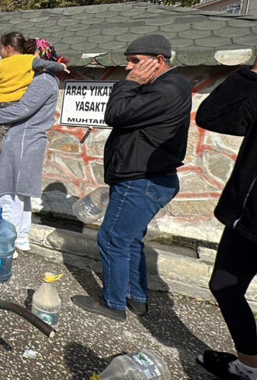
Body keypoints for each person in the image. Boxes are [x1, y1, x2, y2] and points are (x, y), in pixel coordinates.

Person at [72, 34, 191, 321]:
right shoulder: (167, 86)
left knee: (112, 239)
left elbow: (115, 113)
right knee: (131, 239)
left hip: (141, 180)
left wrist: (129, 85)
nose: (129, 68)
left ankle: (113, 303)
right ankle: (137, 297)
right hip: (147, 177)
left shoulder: (165, 90)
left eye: (135, 61)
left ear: (158, 60)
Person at [194, 56, 257, 379]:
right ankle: (248, 366)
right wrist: (252, 75)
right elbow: (213, 116)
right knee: (224, 286)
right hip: (246, 219)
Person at [0, 37, 68, 255]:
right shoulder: (46, 79)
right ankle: (20, 238)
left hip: (21, 141)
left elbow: (23, 109)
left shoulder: (43, 80)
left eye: (31, 55)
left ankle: (7, 243)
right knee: (20, 196)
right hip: (26, 141)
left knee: (6, 193)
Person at [0, 33, 68, 183]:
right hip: (11, 102)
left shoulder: (1, 64)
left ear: (8, 49)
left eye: (0, 48)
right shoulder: (29, 62)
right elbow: (46, 65)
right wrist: (61, 66)